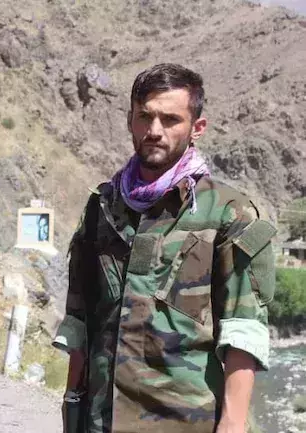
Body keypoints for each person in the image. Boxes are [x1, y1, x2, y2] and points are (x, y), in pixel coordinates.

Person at [53, 63, 276, 433]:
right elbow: (81, 320)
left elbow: (244, 330)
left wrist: (233, 423)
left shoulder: (228, 212)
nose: (154, 130)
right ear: (130, 120)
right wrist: (72, 403)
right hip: (100, 420)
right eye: (145, 116)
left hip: (185, 421)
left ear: (197, 128)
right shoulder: (102, 207)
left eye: (170, 119)